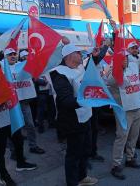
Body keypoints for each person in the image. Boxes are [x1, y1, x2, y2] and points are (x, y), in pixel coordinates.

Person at [108, 39, 140, 180]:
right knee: (121, 137)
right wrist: (120, 68)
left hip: (137, 105)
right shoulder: (114, 69)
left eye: (126, 57)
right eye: (122, 58)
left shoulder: (134, 64)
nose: (125, 60)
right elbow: (110, 82)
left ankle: (130, 158)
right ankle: (116, 165)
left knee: (134, 135)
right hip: (124, 109)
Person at [50, 44, 100, 186]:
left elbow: (89, 68)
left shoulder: (78, 67)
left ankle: (82, 177)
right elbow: (66, 100)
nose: (82, 55)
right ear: (69, 56)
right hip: (72, 121)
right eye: (79, 53)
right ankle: (72, 182)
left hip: (86, 116)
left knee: (85, 150)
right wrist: (88, 97)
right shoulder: (58, 73)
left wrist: (96, 56)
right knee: (73, 155)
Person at [4, 48, 45, 155]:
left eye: (14, 54)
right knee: (13, 127)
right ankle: (14, 151)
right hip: (11, 104)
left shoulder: (22, 66)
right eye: (9, 54)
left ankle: (33, 146)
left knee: (30, 124)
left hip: (23, 101)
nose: (13, 56)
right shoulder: (1, 68)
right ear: (5, 57)